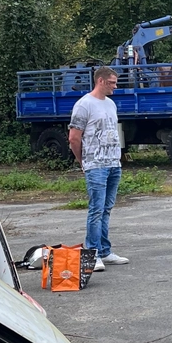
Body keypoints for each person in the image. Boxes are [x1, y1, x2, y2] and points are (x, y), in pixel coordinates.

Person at [70, 67, 130, 272]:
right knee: (96, 209)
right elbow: (74, 137)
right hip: (95, 164)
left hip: (113, 163)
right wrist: (82, 161)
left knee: (106, 208)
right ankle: (92, 253)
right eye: (112, 82)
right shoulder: (84, 105)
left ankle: (105, 250)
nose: (115, 86)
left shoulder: (111, 104)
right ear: (101, 81)